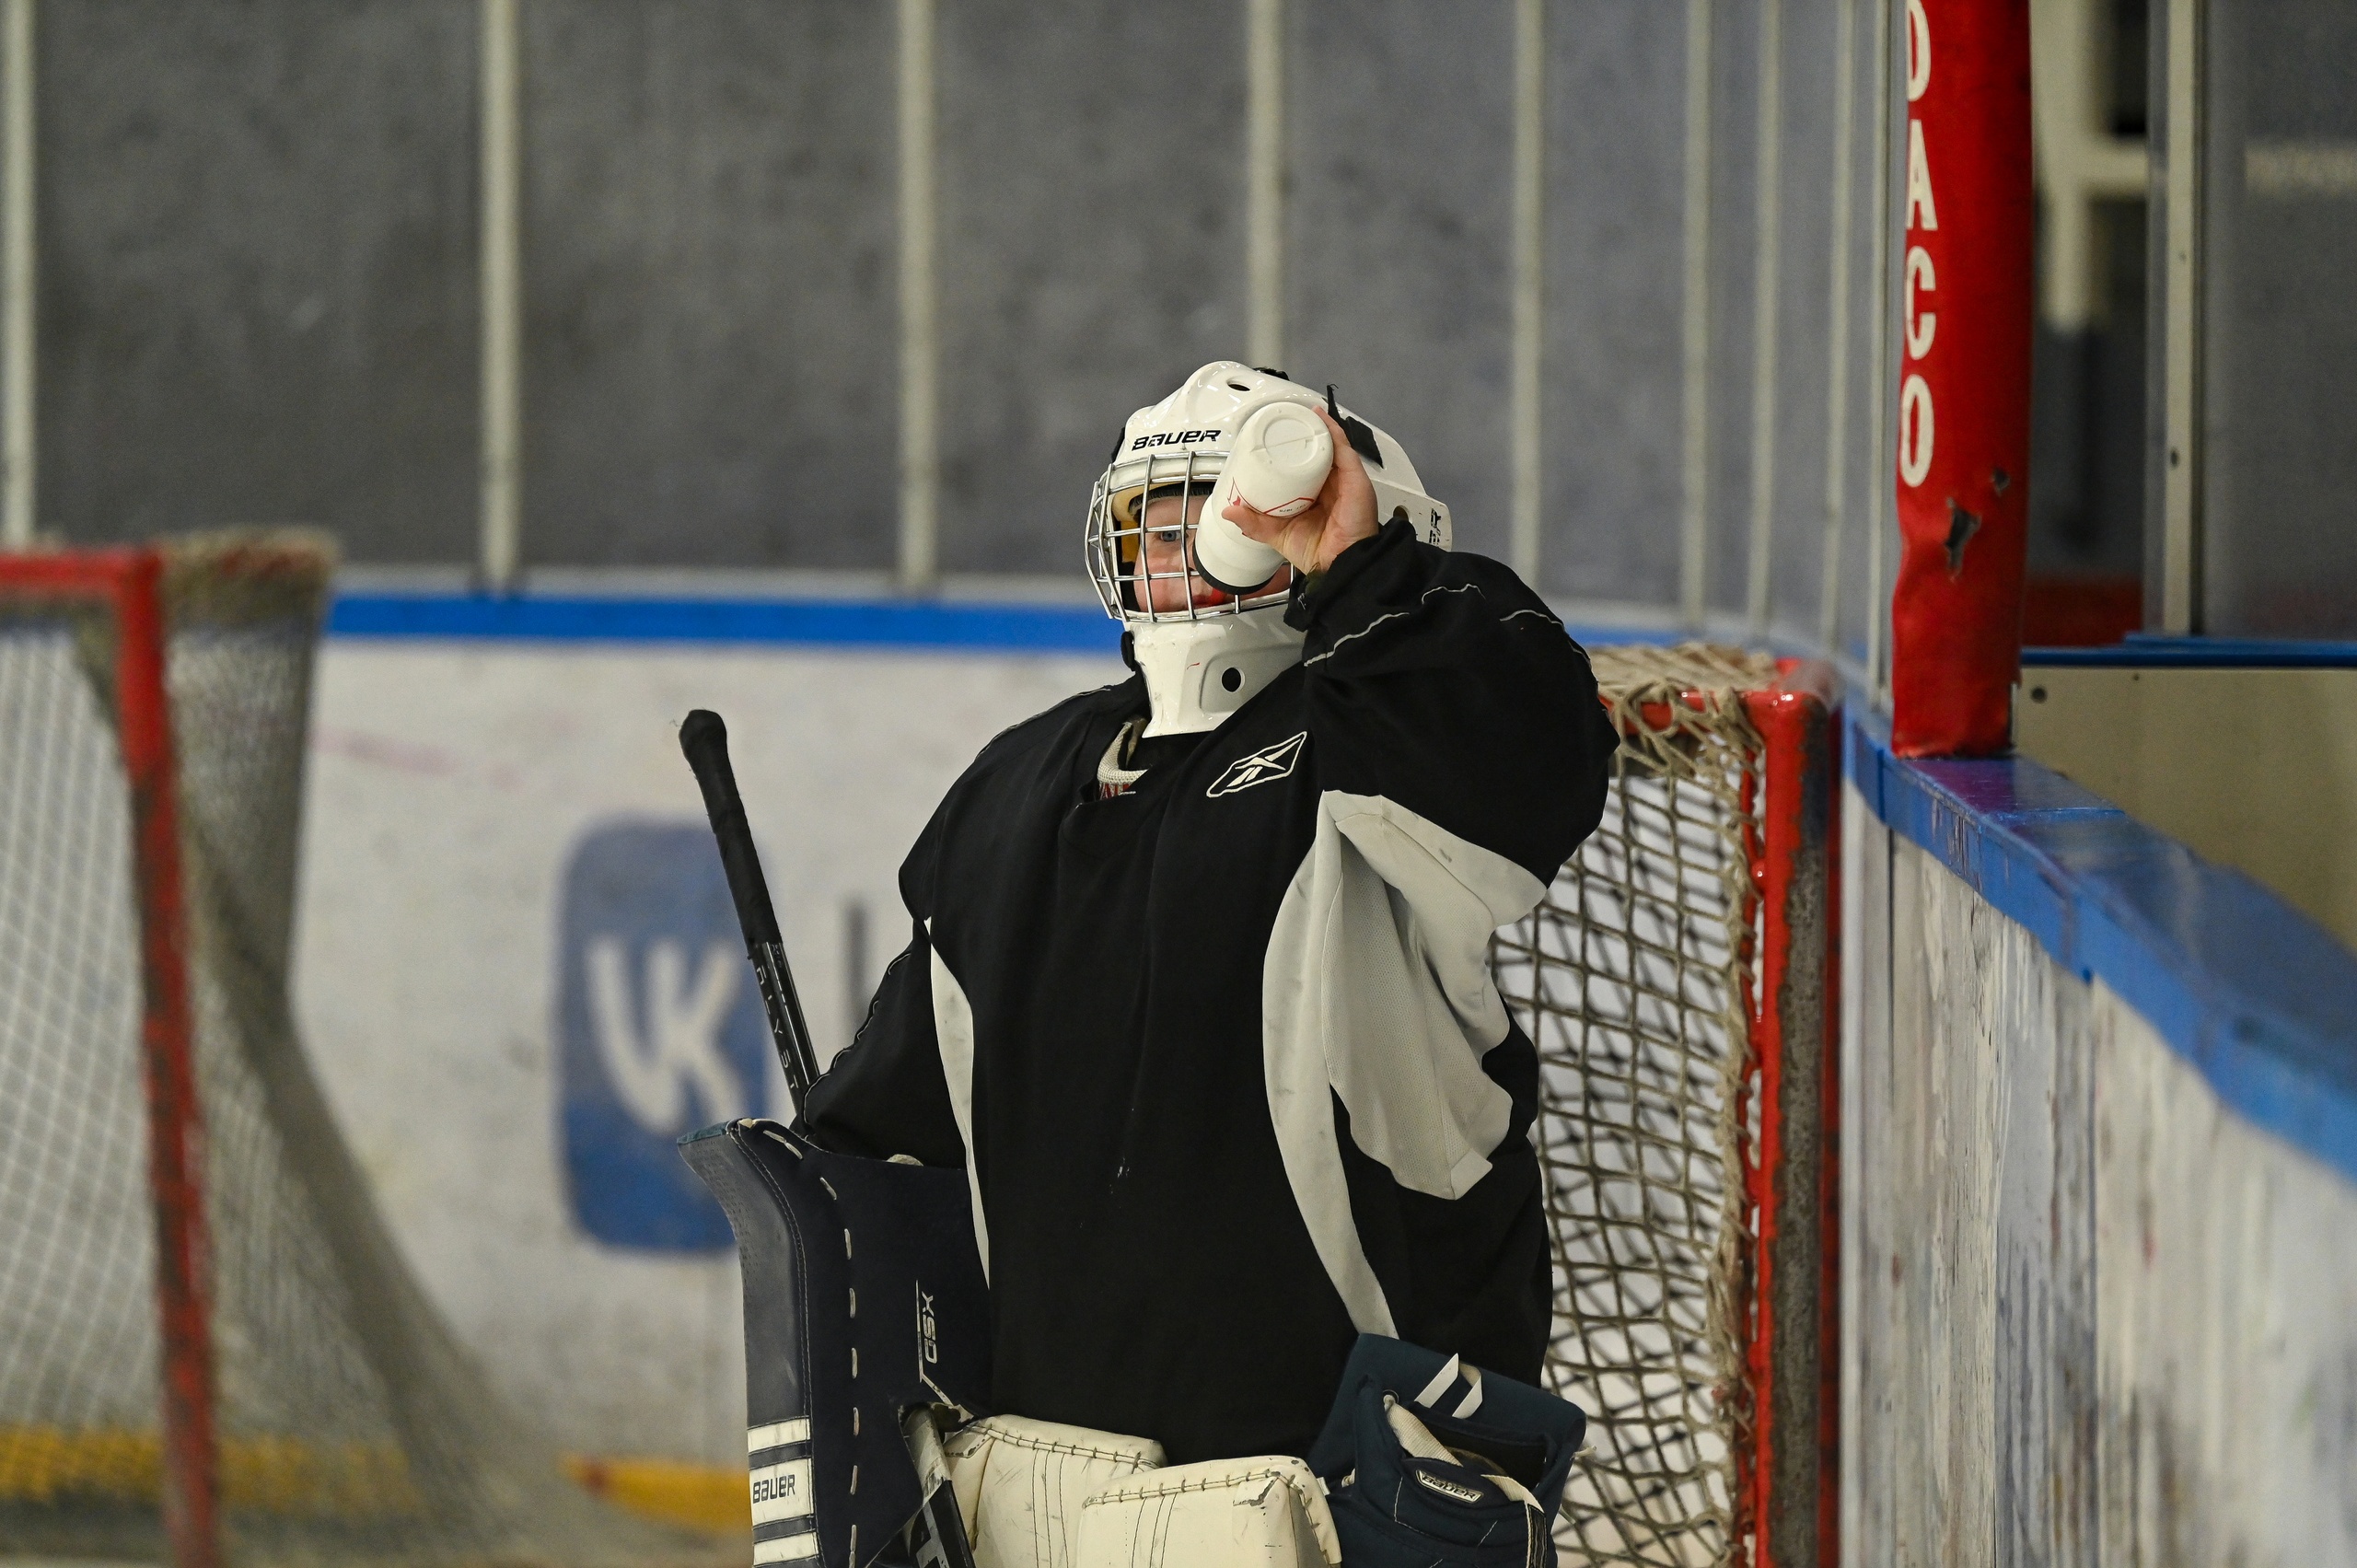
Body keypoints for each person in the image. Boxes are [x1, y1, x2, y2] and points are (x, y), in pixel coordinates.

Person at [802, 363, 1620, 1466]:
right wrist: (815, 1186)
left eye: (1226, 516)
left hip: (1354, 1489)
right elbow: (899, 1136)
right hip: (1049, 1490)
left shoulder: (1378, 760)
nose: (1181, 550)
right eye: (1152, 522)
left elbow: (1521, 767)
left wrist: (1365, 579)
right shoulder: (1015, 784)